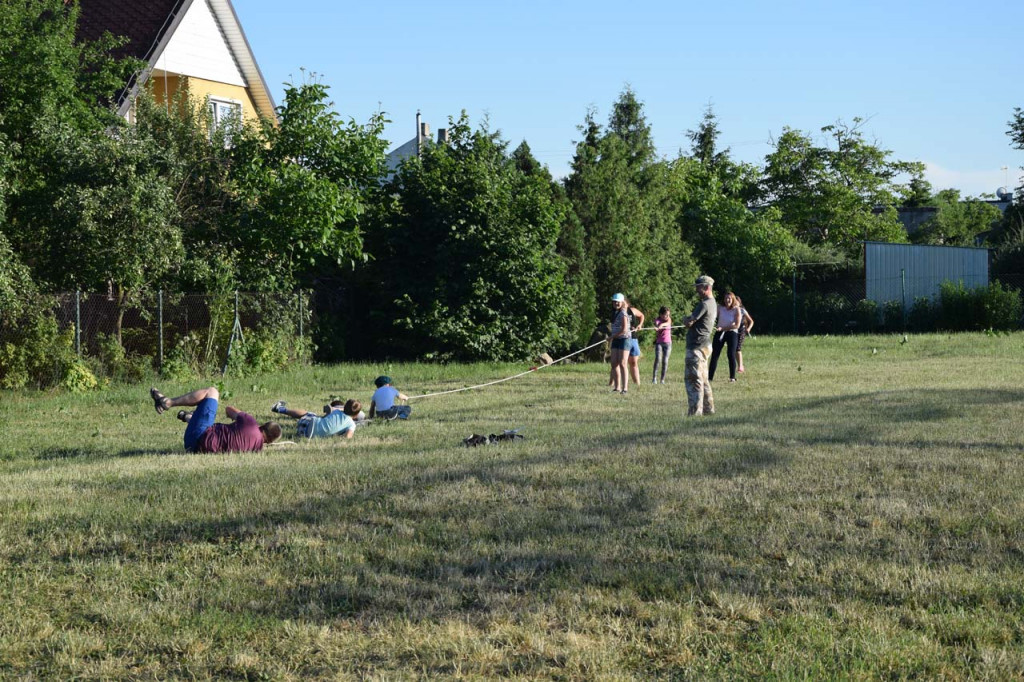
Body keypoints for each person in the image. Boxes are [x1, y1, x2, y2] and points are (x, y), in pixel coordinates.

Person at [150, 385, 281, 453]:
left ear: (262, 426)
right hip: (193, 448)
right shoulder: (256, 449)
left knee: (212, 392)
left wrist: (241, 416)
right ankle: (190, 417)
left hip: (199, 435)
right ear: (268, 442)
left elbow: (229, 410)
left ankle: (169, 402)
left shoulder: (251, 423)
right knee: (210, 427)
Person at [680, 276, 717, 416]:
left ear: (706, 287)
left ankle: (695, 413)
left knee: (693, 379)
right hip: (706, 344)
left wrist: (685, 319)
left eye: (698, 287)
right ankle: (709, 409)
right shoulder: (713, 303)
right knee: (704, 379)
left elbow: (690, 322)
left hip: (696, 346)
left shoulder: (704, 304)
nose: (696, 290)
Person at [271, 398, 362, 439]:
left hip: (306, 424)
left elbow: (325, 415)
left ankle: (280, 409)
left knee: (309, 414)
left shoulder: (336, 411)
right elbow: (347, 438)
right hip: (307, 436)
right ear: (356, 415)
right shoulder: (351, 424)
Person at [708, 291, 741, 383]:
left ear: (733, 299)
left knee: (731, 354)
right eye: (726, 298)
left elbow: (737, 325)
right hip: (720, 332)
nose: (727, 300)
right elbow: (713, 317)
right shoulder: (720, 308)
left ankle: (732, 377)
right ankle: (709, 378)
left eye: (729, 298)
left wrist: (724, 328)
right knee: (715, 354)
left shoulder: (736, 309)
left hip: (731, 333)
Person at [608, 293, 631, 394]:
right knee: (614, 363)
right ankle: (617, 387)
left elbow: (624, 329)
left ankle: (624, 388)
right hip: (616, 339)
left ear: (622, 302)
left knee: (622, 363)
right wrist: (613, 337)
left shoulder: (623, 313)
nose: (616, 303)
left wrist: (612, 337)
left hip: (624, 339)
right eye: (614, 301)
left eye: (618, 302)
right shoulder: (615, 312)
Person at [624, 297, 646, 386]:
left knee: (633, 362)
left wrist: (640, 325)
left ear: (628, 304)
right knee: (622, 362)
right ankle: (619, 384)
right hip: (623, 339)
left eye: (624, 303)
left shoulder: (632, 310)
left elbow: (641, 315)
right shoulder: (617, 313)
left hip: (633, 338)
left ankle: (637, 384)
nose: (622, 305)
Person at [651, 306, 672, 384]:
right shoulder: (657, 320)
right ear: (660, 314)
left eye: (668, 315)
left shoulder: (668, 319)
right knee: (658, 359)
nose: (666, 316)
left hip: (668, 343)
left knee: (665, 361)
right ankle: (654, 378)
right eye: (665, 315)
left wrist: (661, 326)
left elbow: (667, 323)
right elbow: (656, 324)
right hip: (659, 343)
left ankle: (662, 379)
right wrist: (657, 326)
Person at [735, 295, 755, 373]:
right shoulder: (731, 310)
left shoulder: (742, 310)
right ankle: (739, 364)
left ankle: (740, 367)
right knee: (734, 349)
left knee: (738, 348)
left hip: (741, 330)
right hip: (733, 331)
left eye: (737, 302)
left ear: (739, 303)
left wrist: (749, 328)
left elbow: (751, 321)